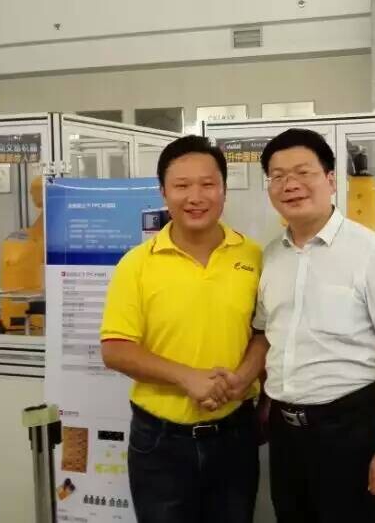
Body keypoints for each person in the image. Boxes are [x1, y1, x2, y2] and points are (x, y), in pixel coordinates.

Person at [99, 135, 268, 523]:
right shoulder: (136, 264)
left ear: (224, 189)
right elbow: (116, 349)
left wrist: (243, 378)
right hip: (161, 442)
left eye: (208, 184)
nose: (195, 197)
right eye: (181, 186)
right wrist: (187, 377)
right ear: (163, 192)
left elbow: (264, 333)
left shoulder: (254, 256)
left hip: (235, 434)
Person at [253, 128, 375, 523]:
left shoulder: (371, 252)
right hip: (285, 434)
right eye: (278, 176)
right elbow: (267, 336)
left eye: (303, 172)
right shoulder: (271, 256)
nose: (290, 185)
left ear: (330, 179)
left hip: (350, 430)